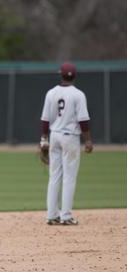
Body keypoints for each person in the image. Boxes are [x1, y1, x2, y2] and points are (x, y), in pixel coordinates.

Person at [40, 62, 93, 226]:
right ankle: (66, 216)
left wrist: (43, 140)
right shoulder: (78, 94)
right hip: (70, 137)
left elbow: (45, 120)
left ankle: (51, 215)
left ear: (60, 74)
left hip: (54, 136)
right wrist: (88, 140)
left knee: (54, 176)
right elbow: (83, 120)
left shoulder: (51, 93)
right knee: (69, 178)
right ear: (74, 76)